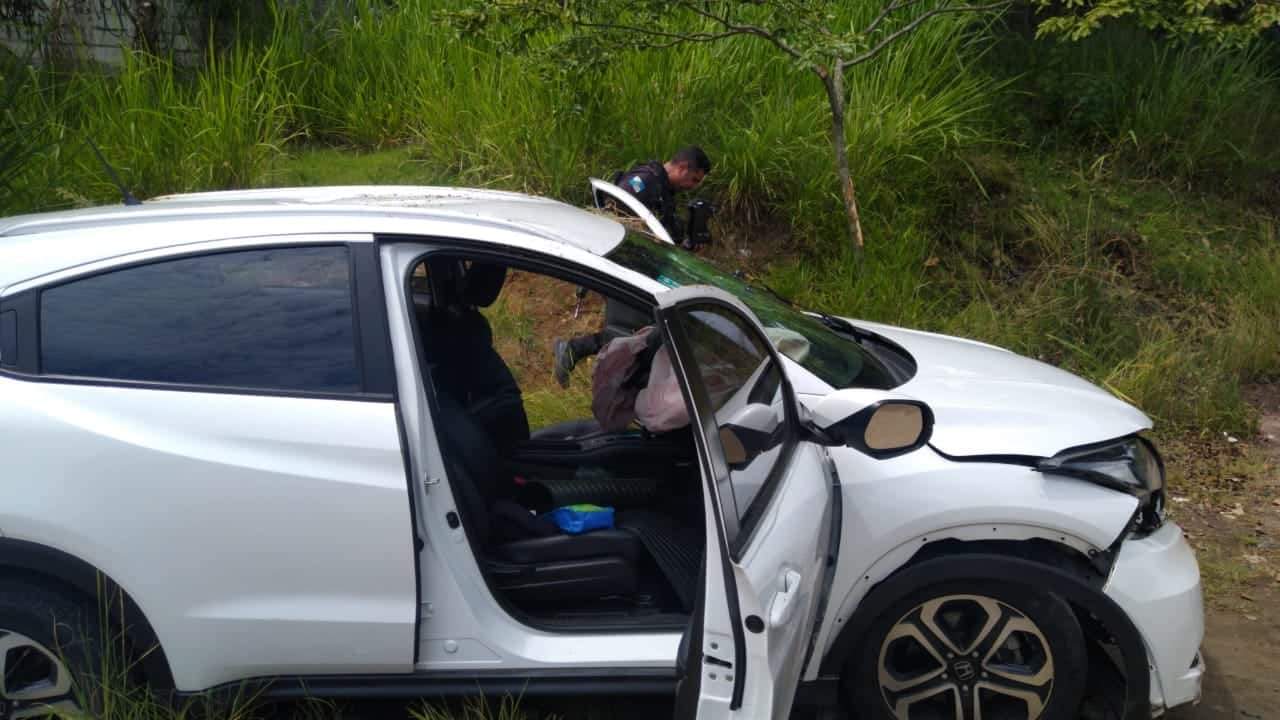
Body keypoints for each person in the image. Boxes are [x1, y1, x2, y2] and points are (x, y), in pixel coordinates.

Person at [552, 146, 712, 387]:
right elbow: (615, 215)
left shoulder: (662, 188)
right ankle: (581, 356)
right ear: (682, 168)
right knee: (629, 329)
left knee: (640, 329)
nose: (693, 186)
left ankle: (587, 359)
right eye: (693, 179)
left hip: (642, 267)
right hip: (626, 266)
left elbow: (659, 230)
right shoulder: (643, 182)